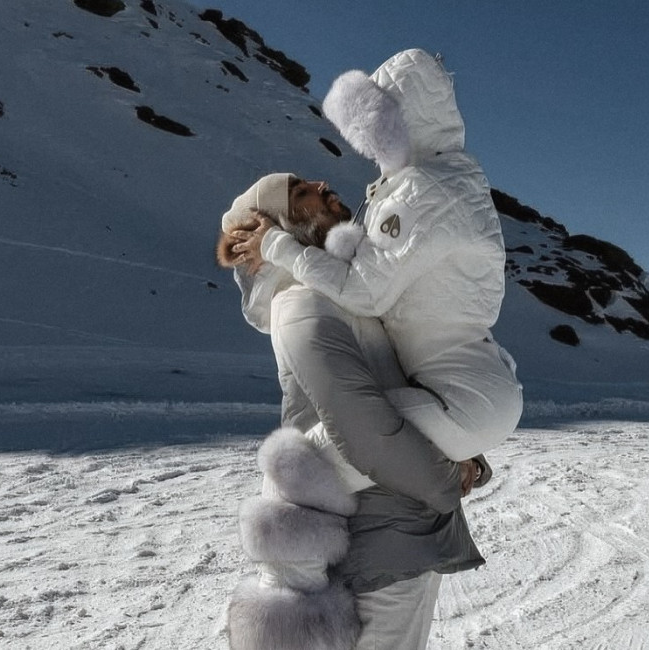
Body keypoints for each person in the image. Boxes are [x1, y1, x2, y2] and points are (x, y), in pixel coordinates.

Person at [221, 173, 486, 650]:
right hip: (377, 547)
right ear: (281, 226)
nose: (321, 184)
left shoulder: (347, 298)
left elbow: (408, 392)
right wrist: (447, 475)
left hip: (402, 531)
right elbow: (358, 426)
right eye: (301, 192)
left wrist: (465, 451)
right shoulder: (301, 304)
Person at [231, 48, 523, 466]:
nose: (368, 148)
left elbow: (365, 292)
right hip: (469, 390)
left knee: (306, 466)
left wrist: (277, 246)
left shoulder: (420, 191)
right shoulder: (441, 179)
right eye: (301, 192)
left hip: (459, 398)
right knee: (313, 463)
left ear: (394, 123)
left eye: (371, 128)